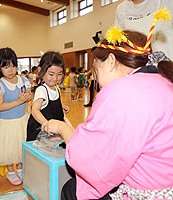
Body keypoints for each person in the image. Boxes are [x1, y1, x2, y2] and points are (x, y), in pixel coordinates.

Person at [42, 20, 173, 200]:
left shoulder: (121, 91)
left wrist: (63, 129)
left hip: (147, 193)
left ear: (111, 61)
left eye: (95, 70)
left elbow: (92, 160)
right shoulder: (164, 81)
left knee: (70, 189)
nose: (97, 79)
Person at [0, 47, 31, 186]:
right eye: (6, 67)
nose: (11, 70)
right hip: (7, 123)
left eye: (13, 66)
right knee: (8, 149)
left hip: (22, 120)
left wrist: (27, 97)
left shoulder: (23, 80)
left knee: (19, 147)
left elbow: (29, 96)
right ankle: (11, 172)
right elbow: (0, 106)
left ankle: (20, 169)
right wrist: (18, 101)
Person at [27, 51, 69, 141]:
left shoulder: (56, 88)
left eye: (59, 74)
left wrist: (61, 106)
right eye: (51, 74)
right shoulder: (42, 90)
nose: (55, 78)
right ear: (40, 70)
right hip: (41, 131)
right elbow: (35, 110)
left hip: (53, 129)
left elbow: (50, 104)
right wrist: (46, 124)